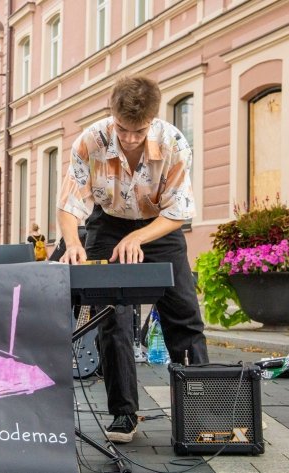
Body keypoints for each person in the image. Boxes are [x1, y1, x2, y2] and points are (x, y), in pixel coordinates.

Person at [57, 75, 209, 443]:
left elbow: (180, 210)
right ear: (113, 116)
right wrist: (72, 242)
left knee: (185, 316)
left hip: (159, 228)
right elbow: (69, 201)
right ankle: (124, 414)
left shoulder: (173, 143)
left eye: (138, 131)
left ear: (152, 120)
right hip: (107, 226)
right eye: (123, 129)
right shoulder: (90, 141)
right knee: (113, 320)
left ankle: (203, 411)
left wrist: (139, 237)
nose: (129, 138)